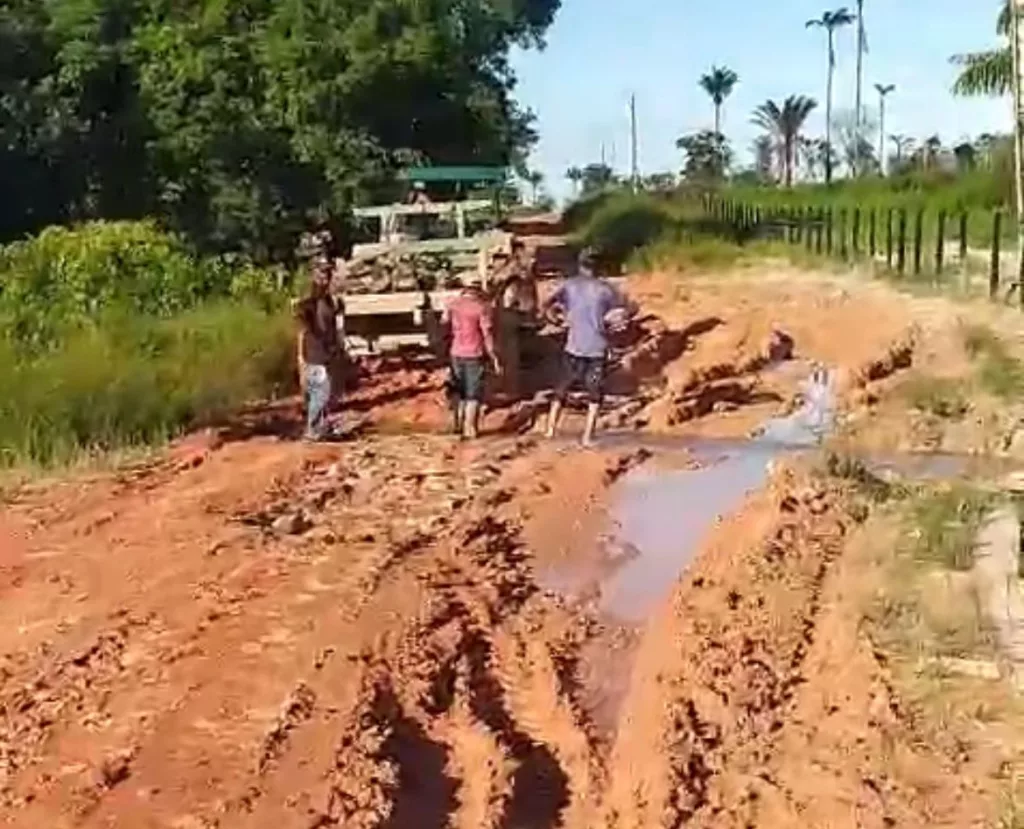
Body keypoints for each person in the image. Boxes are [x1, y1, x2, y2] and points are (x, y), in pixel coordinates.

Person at [542, 247, 632, 447]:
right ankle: (588, 436)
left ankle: (550, 430)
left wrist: (556, 320)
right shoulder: (606, 289)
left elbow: (546, 304)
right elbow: (628, 308)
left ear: (579, 264)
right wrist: (616, 324)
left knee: (561, 389)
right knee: (595, 394)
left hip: (573, 346)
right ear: (599, 266)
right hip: (596, 347)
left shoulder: (569, 286)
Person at [441, 273, 500, 439]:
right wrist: (494, 355)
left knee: (458, 390)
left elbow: (443, 323)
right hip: (474, 353)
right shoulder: (481, 308)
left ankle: (457, 425)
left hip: (455, 352)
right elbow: (487, 333)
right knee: (473, 393)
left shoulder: (453, 305)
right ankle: (470, 429)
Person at [296, 261, 342, 441]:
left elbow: (334, 328)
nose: (325, 279)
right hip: (314, 354)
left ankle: (320, 427)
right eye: (321, 275)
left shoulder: (330, 302)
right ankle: (312, 430)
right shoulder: (308, 304)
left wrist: (338, 346)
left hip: (326, 353)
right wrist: (300, 357)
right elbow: (301, 332)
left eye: (327, 276)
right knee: (321, 392)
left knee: (326, 392)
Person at [492, 244, 540, 401]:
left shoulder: (518, 273)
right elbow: (509, 299)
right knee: (510, 355)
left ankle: (510, 387)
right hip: (511, 316)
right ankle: (511, 389)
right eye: (530, 257)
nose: (533, 260)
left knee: (510, 355)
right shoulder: (516, 274)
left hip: (510, 316)